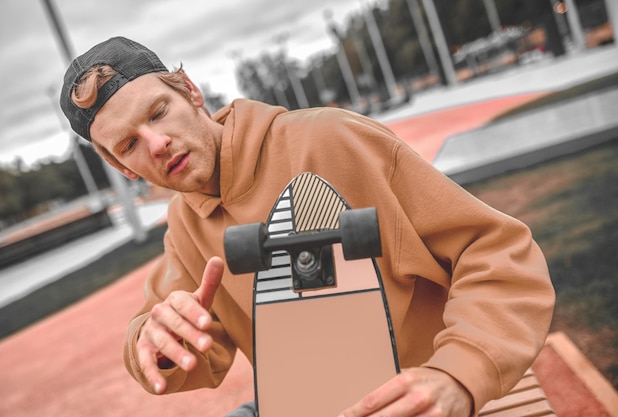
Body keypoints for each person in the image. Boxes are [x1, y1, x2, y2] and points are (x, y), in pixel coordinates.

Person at [60, 37, 555, 417]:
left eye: (158, 112)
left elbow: (495, 250)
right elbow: (181, 341)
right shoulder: (185, 222)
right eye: (128, 145)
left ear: (190, 91)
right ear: (122, 168)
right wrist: (154, 342)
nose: (157, 143)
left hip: (422, 389)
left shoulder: (330, 140)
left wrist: (458, 375)